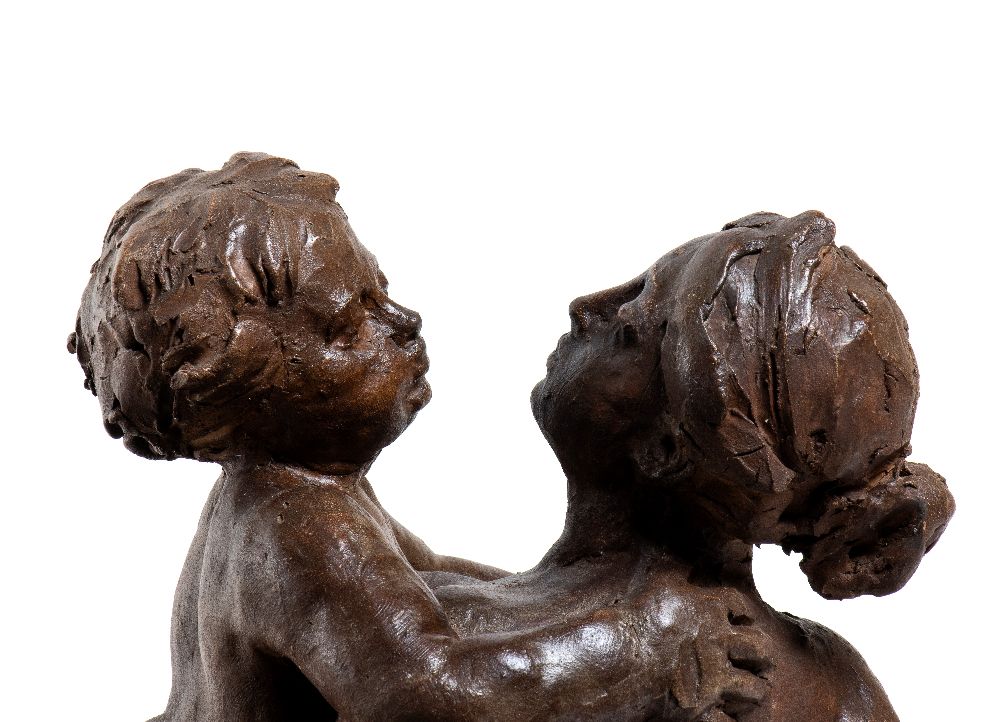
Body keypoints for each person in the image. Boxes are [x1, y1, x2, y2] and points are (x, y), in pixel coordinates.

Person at [70, 153, 766, 721]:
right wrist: (641, 647)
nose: (403, 323)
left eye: (381, 291)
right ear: (245, 395)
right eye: (350, 325)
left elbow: (432, 576)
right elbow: (428, 691)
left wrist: (572, 593)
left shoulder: (302, 497)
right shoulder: (296, 531)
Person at [426, 210, 954, 721]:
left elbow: (416, 672)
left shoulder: (604, 650)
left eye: (627, 330)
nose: (585, 307)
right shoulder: (843, 685)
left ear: (665, 449)